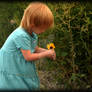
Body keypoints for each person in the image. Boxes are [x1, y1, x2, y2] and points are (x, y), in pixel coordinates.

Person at [0, 1, 56, 90]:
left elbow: (35, 48)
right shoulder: (21, 35)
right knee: (15, 84)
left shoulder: (32, 34)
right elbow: (28, 57)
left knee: (23, 82)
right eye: (43, 28)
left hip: (18, 64)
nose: (44, 30)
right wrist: (45, 54)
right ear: (33, 24)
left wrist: (47, 51)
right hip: (10, 64)